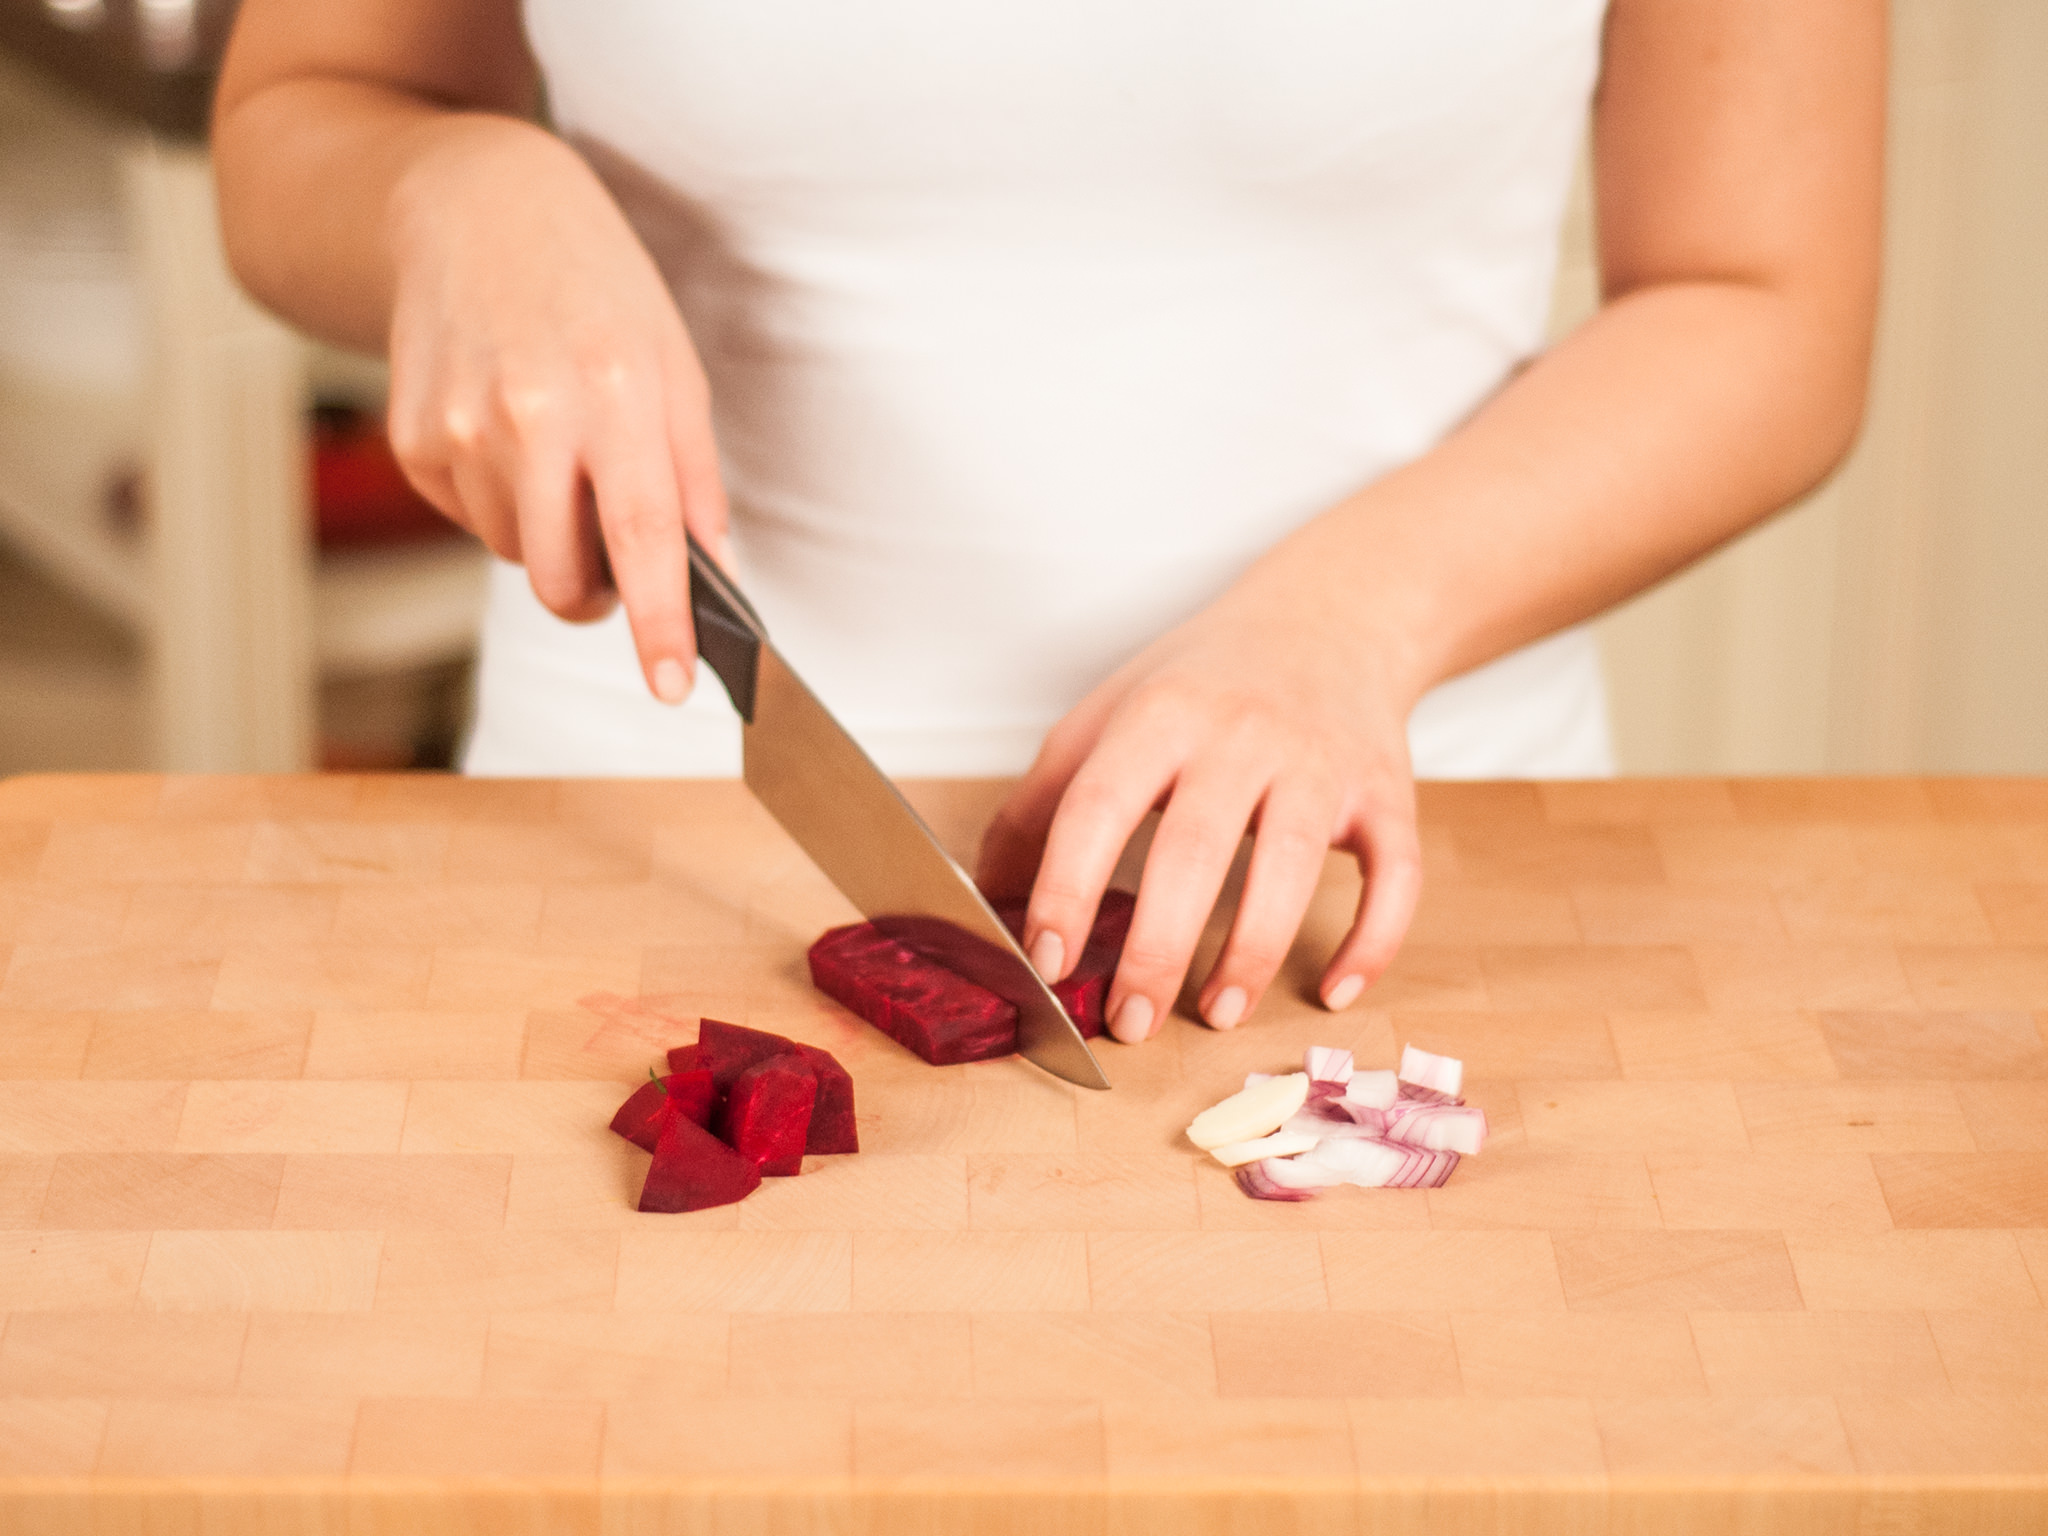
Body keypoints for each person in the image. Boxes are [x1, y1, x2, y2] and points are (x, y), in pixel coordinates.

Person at [212, 1, 1882, 1046]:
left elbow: (1770, 300)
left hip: (1386, 892)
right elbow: (305, 108)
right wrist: (454, 190)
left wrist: (1349, 624)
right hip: (640, 837)